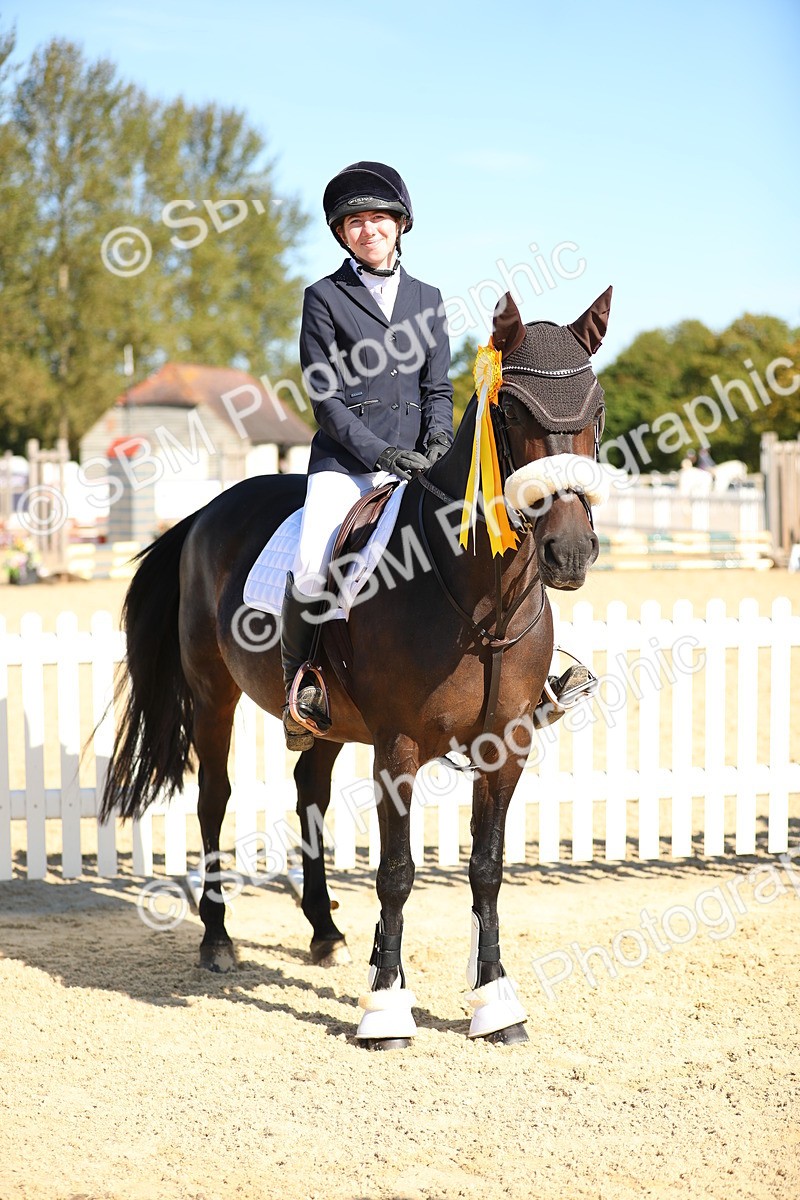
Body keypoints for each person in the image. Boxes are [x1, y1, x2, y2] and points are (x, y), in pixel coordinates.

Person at [280, 161, 454, 749]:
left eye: (379, 217)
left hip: (420, 462)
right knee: (310, 563)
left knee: (488, 537)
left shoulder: (428, 298)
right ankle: (299, 689)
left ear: (401, 225)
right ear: (341, 233)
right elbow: (325, 398)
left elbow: (439, 389)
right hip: (346, 464)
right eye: (355, 221)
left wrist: (438, 445)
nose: (368, 228)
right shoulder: (324, 297)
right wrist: (381, 453)